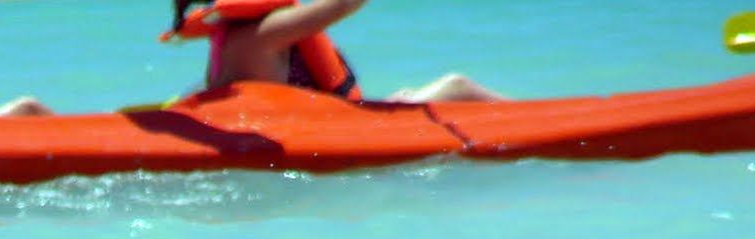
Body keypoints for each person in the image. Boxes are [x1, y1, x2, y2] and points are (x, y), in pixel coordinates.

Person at [172, 0, 507, 103]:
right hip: (333, 133)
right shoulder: (268, 32)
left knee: (405, 97)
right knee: (458, 86)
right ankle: (555, 125)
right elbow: (345, 3)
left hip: (300, 127)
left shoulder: (224, 39)